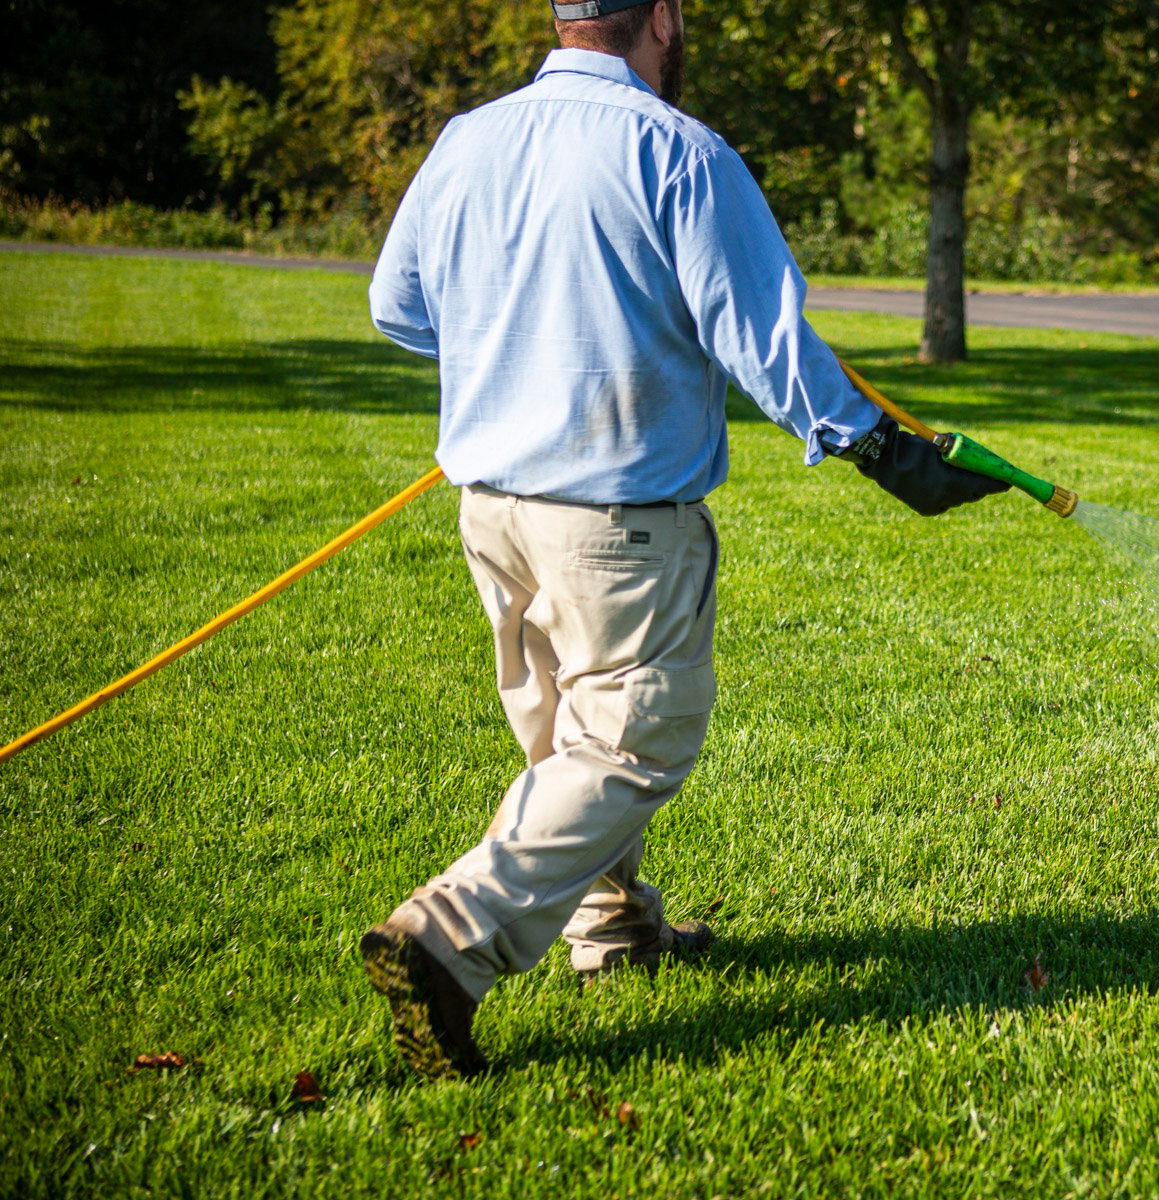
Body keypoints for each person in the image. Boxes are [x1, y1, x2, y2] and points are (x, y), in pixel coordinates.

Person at [359, 0, 1007, 1079]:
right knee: (627, 745)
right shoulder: (682, 152)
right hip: (616, 521)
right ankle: (446, 940)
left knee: (568, 735)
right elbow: (764, 339)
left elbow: (396, 306)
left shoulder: (467, 139)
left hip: (493, 513)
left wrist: (508, 348)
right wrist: (887, 452)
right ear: (659, 19)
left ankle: (608, 930)